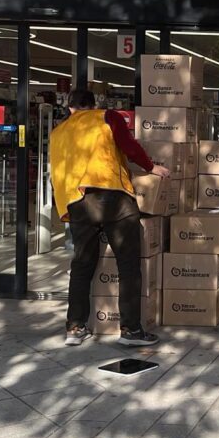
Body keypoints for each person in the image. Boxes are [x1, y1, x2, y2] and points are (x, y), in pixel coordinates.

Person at [50, 90, 171, 347]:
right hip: (113, 197)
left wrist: (65, 207)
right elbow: (128, 146)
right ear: (93, 105)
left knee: (81, 265)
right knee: (128, 265)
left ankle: (75, 327)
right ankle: (131, 330)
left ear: (70, 108)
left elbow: (57, 172)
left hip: (77, 201)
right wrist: (151, 167)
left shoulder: (58, 132)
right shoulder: (107, 117)